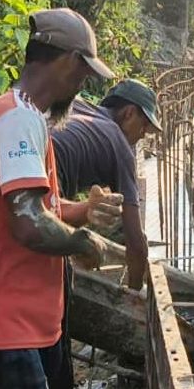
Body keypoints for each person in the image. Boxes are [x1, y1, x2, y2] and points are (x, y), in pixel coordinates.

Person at [0, 8, 124, 389]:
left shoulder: (26, 118)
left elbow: (37, 206)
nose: (82, 84)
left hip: (27, 328)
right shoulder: (15, 119)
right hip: (7, 330)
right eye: (83, 73)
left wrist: (82, 210)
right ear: (67, 61)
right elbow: (29, 222)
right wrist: (85, 242)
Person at [51, 79, 163, 291]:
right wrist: (134, 295)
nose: (142, 136)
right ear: (129, 113)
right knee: (59, 272)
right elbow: (136, 243)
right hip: (48, 174)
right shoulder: (119, 144)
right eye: (144, 127)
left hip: (24, 161)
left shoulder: (79, 106)